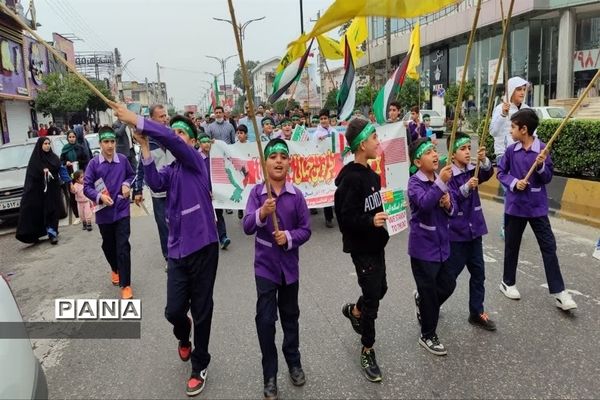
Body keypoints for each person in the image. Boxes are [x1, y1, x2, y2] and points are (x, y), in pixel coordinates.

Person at [116, 106, 219, 397]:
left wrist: (138, 120)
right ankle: (182, 333)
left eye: (182, 133)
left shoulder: (195, 161)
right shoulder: (171, 170)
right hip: (176, 249)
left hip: (203, 247)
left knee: (202, 310)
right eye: (174, 131)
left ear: (193, 141)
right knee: (174, 311)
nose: (176, 136)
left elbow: (172, 142)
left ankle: (200, 364)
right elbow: (155, 182)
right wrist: (146, 147)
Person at [243, 138, 311, 400]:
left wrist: (289, 238)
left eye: (283, 156)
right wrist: (262, 212)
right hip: (265, 268)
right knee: (265, 321)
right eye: (273, 156)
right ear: (265, 163)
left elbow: (306, 229)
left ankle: (294, 361)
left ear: (289, 163)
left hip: (290, 269)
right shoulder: (257, 194)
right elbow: (247, 226)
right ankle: (269, 374)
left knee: (290, 316)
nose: (279, 160)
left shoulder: (297, 196)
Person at [496, 108, 577, 310]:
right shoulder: (511, 151)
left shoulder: (542, 150)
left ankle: (559, 292)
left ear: (524, 129)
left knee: (549, 247)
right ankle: (507, 282)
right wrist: (514, 183)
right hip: (515, 207)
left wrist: (541, 166)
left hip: (537, 208)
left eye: (513, 127)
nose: (511, 130)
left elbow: (547, 177)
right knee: (512, 246)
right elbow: (501, 173)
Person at [334, 118, 389, 382]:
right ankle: (368, 348)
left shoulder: (373, 176)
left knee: (381, 289)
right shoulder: (351, 179)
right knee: (373, 298)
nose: (378, 142)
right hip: (361, 248)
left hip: (377, 243)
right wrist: (370, 221)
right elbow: (345, 219)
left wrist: (386, 213)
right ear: (362, 144)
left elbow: (374, 207)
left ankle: (354, 311)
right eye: (375, 138)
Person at [408, 137, 456, 356]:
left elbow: (451, 208)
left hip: (442, 246)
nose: (435, 155)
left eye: (435, 150)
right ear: (418, 162)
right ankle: (428, 335)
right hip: (422, 248)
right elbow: (425, 203)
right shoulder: (414, 183)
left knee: (448, 285)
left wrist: (448, 204)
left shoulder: (441, 177)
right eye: (428, 152)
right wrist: (440, 184)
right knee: (429, 294)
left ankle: (424, 303)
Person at [446, 133, 496, 331]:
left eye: (469, 148)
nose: (468, 152)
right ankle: (426, 300)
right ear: (452, 154)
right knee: (449, 278)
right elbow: (450, 199)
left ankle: (476, 312)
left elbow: (487, 173)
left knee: (478, 273)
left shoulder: (472, 169)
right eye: (463, 149)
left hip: (474, 231)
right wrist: (466, 187)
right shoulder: (448, 175)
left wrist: (483, 160)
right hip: (457, 234)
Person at [83, 126, 135, 300]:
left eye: (112, 141)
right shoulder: (93, 164)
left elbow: (131, 175)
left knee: (123, 246)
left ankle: (126, 284)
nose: (110, 145)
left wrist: (127, 184)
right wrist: (99, 197)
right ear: (100, 144)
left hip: (121, 209)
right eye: (106, 142)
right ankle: (115, 268)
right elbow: (87, 187)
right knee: (108, 245)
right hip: (104, 212)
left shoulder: (122, 159)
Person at [132, 104, 173, 271]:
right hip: (158, 193)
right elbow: (141, 166)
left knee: (181, 222)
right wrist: (138, 190)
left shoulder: (173, 135)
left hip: (177, 189)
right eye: (161, 116)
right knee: (164, 225)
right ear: (152, 120)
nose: (165, 119)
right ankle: (169, 257)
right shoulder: (146, 141)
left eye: (165, 116)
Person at [490, 76, 530, 239]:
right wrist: (502, 114)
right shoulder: (501, 108)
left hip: (523, 157)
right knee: (510, 192)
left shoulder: (527, 109)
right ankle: (507, 227)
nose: (522, 92)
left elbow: (532, 134)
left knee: (519, 193)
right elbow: (493, 131)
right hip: (504, 156)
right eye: (519, 89)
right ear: (511, 91)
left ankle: (514, 225)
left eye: (524, 89)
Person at [16, 137, 71, 245]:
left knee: (54, 211)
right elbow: (31, 177)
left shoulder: (54, 157)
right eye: (45, 144)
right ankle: (35, 234)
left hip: (53, 190)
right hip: (39, 192)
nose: (47, 146)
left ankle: (53, 233)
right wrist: (42, 171)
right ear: (40, 145)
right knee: (40, 211)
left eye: (48, 143)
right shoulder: (35, 160)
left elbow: (61, 170)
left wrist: (70, 183)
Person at [60, 130, 91, 223]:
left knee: (84, 193)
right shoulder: (65, 149)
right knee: (73, 195)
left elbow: (86, 160)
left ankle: (87, 213)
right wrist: (66, 163)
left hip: (80, 175)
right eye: (70, 137)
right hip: (70, 175)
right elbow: (61, 161)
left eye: (73, 137)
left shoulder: (80, 148)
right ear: (67, 138)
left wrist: (78, 162)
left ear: (76, 138)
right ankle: (77, 216)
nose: (72, 139)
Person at [313, 109, 337, 228]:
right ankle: (328, 218)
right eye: (321, 119)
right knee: (326, 189)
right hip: (323, 166)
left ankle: (339, 213)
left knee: (336, 189)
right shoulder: (316, 134)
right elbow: (314, 149)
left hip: (334, 164)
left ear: (329, 119)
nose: (323, 121)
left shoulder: (334, 131)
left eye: (325, 118)